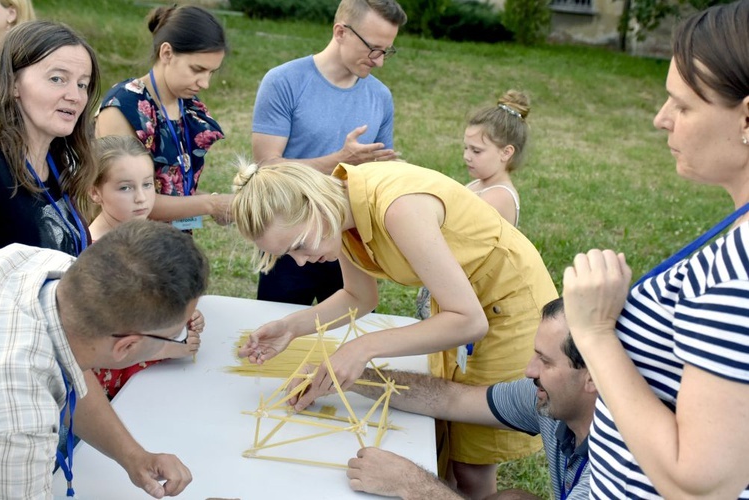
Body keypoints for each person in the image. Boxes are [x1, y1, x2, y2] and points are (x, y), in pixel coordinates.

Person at [232, 159, 559, 499]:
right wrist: (292, 326)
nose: (300, 261)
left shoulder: (398, 209)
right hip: (459, 303)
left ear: (315, 203)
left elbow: (469, 321)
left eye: (299, 244)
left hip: (506, 308)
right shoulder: (338, 209)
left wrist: (362, 348)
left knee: (470, 462)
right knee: (443, 439)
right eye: (289, 254)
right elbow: (359, 296)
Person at [561, 1, 749, 498]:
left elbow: (699, 483)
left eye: (683, 105)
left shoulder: (738, 278)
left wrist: (595, 331)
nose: (660, 119)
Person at [0, 219, 209, 499]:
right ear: (126, 347)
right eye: (175, 334)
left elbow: (71, 369)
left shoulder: (40, 264)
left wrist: (134, 456)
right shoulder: (20, 423)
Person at [346, 298, 596, 500]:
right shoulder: (556, 398)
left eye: (546, 362)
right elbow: (452, 399)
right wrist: (353, 378)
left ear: (594, 378)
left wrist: (409, 483)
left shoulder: (615, 474)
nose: (529, 371)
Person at [251, 0, 407, 306]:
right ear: (341, 32)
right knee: (280, 334)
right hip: (290, 238)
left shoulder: (380, 96)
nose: (379, 62)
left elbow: (383, 171)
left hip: (349, 240)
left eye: (386, 51)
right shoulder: (284, 82)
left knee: (345, 337)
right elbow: (267, 169)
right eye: (373, 49)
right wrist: (339, 161)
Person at [87, 135, 205, 399]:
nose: (141, 198)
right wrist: (166, 347)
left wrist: (183, 317)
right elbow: (96, 342)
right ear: (95, 191)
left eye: (148, 184)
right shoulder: (91, 255)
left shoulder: (152, 237)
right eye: (126, 188)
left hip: (158, 378)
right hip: (119, 392)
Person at [96, 4, 233, 231]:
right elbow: (130, 199)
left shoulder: (186, 104)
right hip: (129, 245)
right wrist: (211, 204)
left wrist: (212, 202)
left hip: (173, 241)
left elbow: (173, 187)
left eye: (211, 73)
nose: (205, 83)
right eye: (197, 69)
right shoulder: (123, 107)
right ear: (167, 53)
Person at [417, 89, 532, 320]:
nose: (466, 156)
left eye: (476, 151)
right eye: (466, 148)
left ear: (506, 153)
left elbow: (465, 248)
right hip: (448, 287)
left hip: (468, 297)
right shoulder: (478, 185)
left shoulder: (498, 197)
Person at [0, 19, 98, 257]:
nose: (75, 96)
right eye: (57, 79)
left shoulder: (60, 162)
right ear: (13, 84)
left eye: (82, 84)